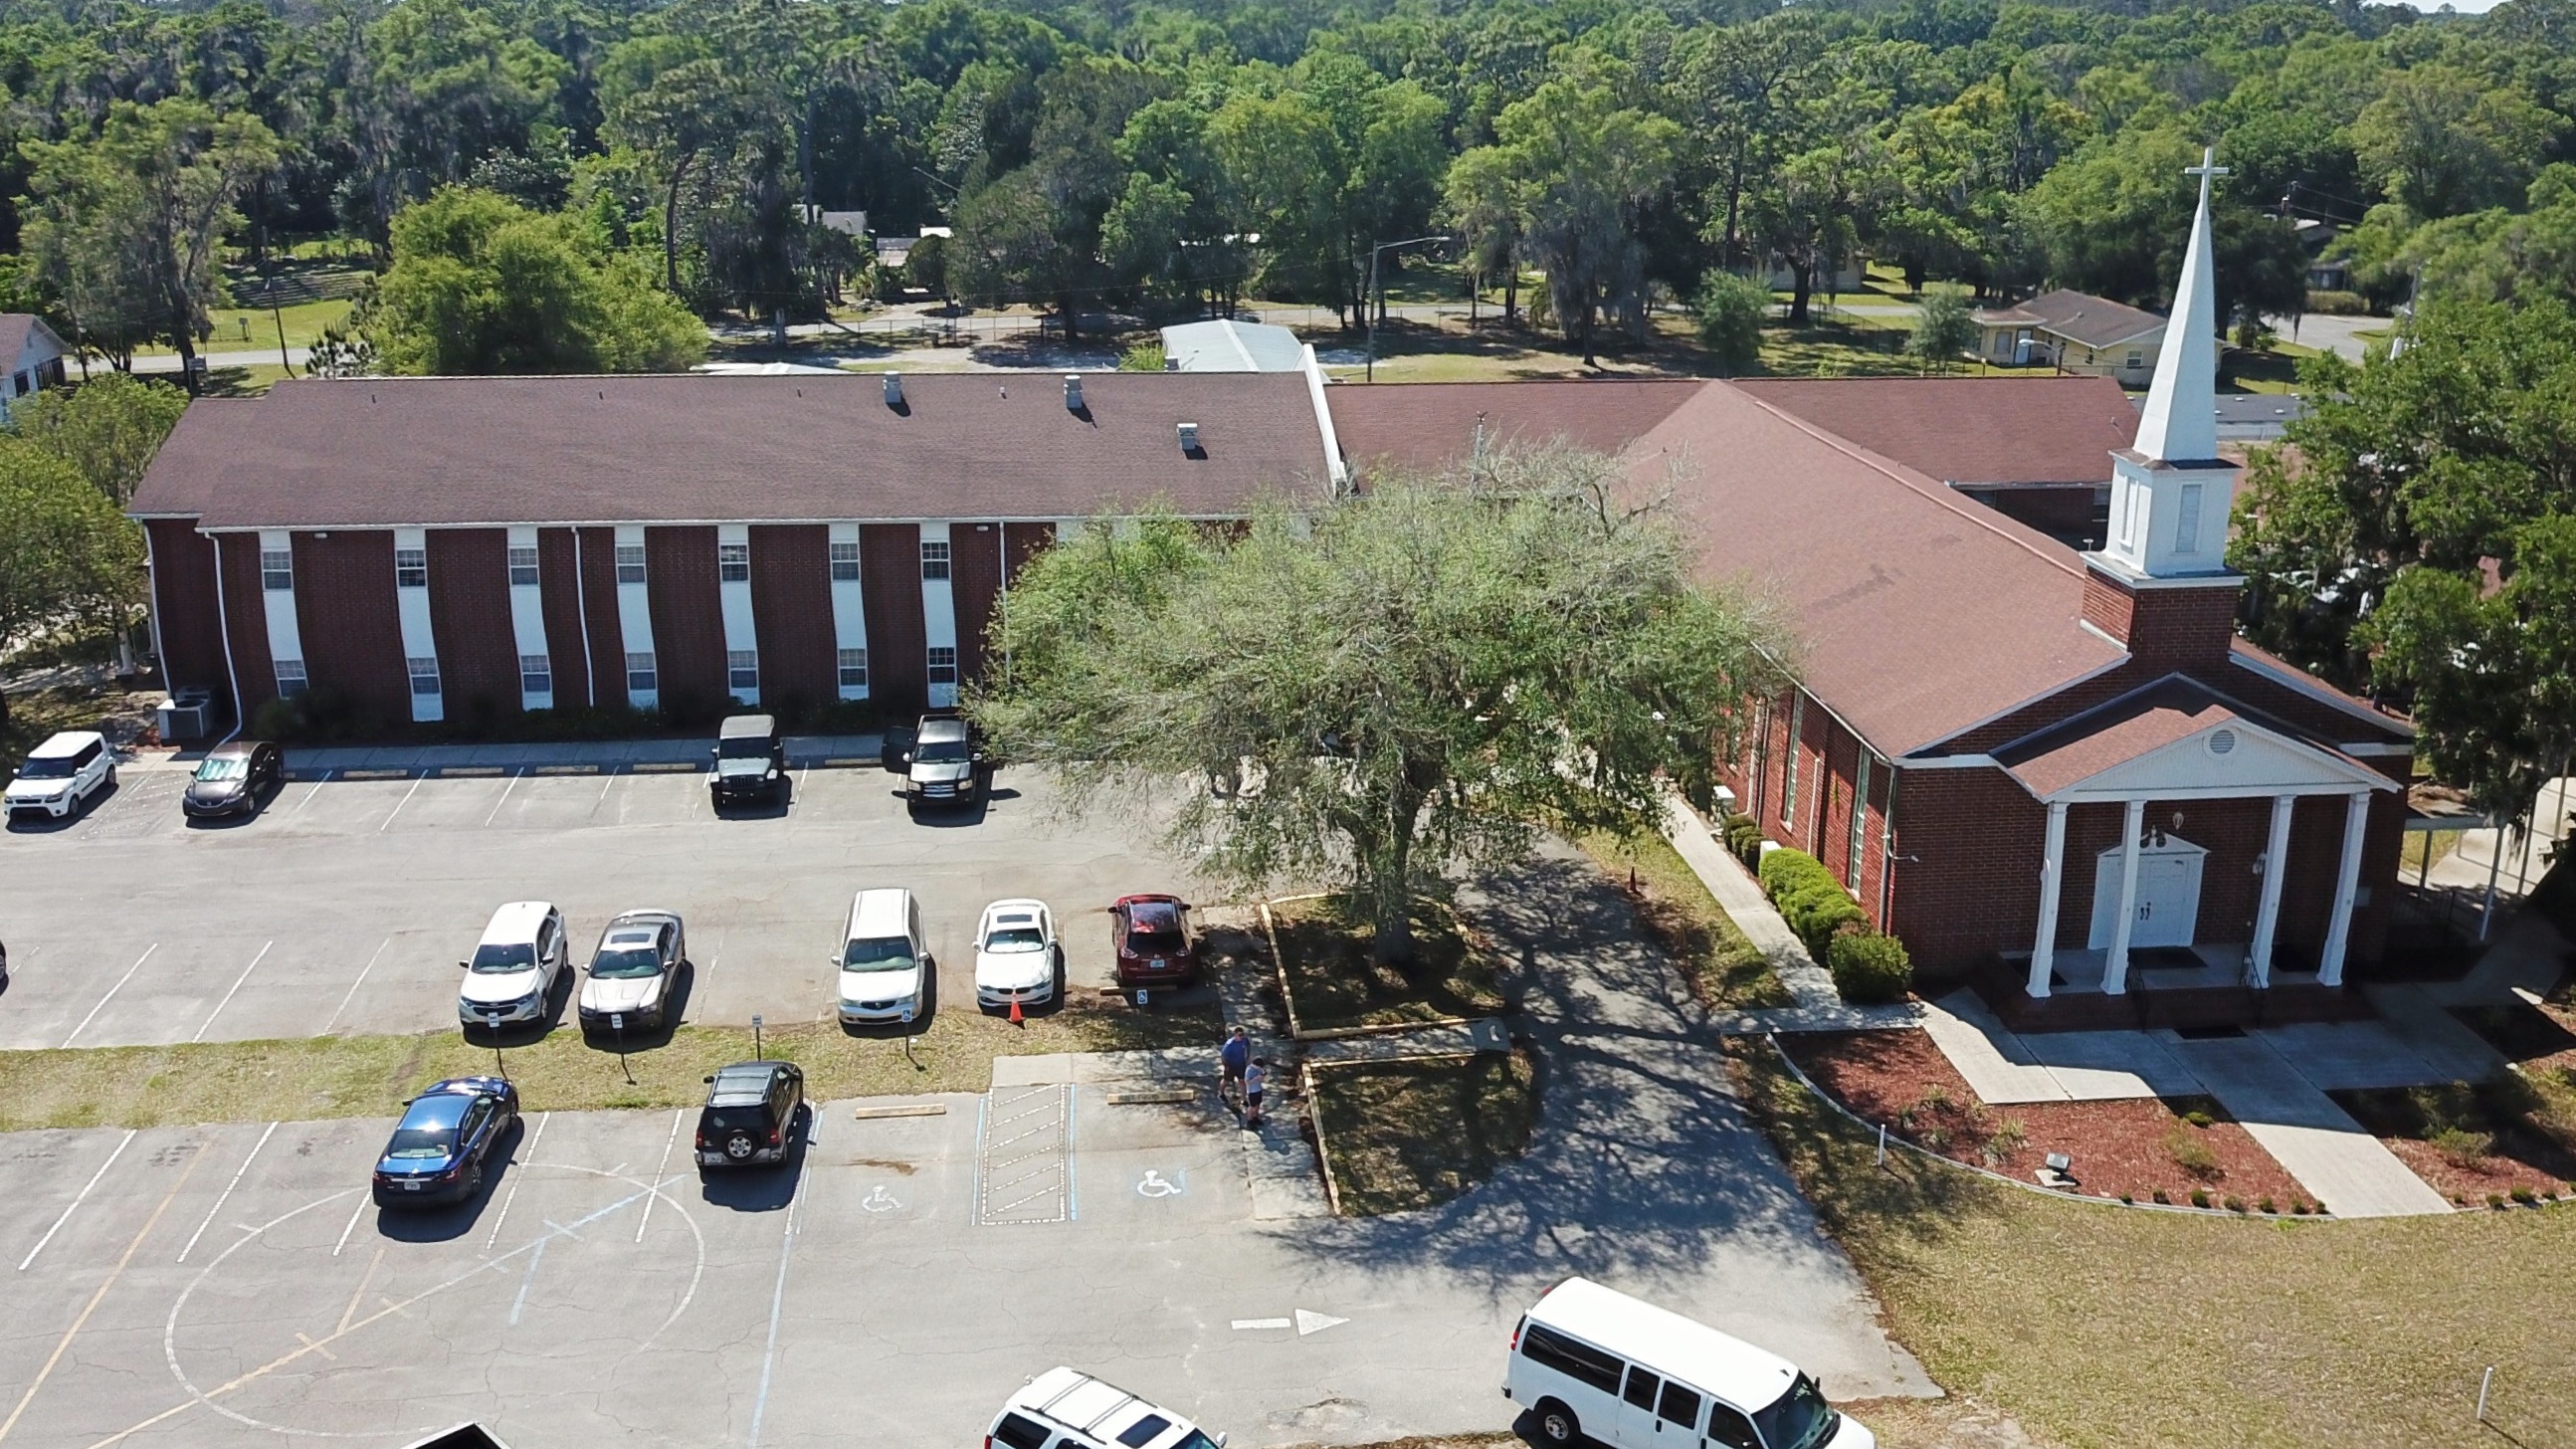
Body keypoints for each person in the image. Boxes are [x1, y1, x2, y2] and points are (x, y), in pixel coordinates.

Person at [1220, 1025, 1250, 1110]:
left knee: (1242, 1081)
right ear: (1235, 1035)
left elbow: (1248, 1045)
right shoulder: (1229, 1045)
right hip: (1230, 1066)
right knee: (1226, 1080)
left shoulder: (1244, 1040)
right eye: (1239, 1035)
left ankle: (1243, 1100)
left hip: (1241, 1065)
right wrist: (1226, 1066)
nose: (1241, 1037)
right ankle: (1221, 1093)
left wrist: (1248, 1056)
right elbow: (1223, 1056)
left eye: (1242, 1035)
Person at [1243, 1057, 1268, 1129]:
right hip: (1252, 1091)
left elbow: (1262, 1074)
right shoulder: (1249, 1070)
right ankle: (1249, 1120)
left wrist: (1263, 1075)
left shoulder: (1259, 1069)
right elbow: (1247, 1082)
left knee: (1257, 1104)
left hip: (1258, 1089)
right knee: (1252, 1106)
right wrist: (1256, 1078)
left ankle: (1255, 1117)